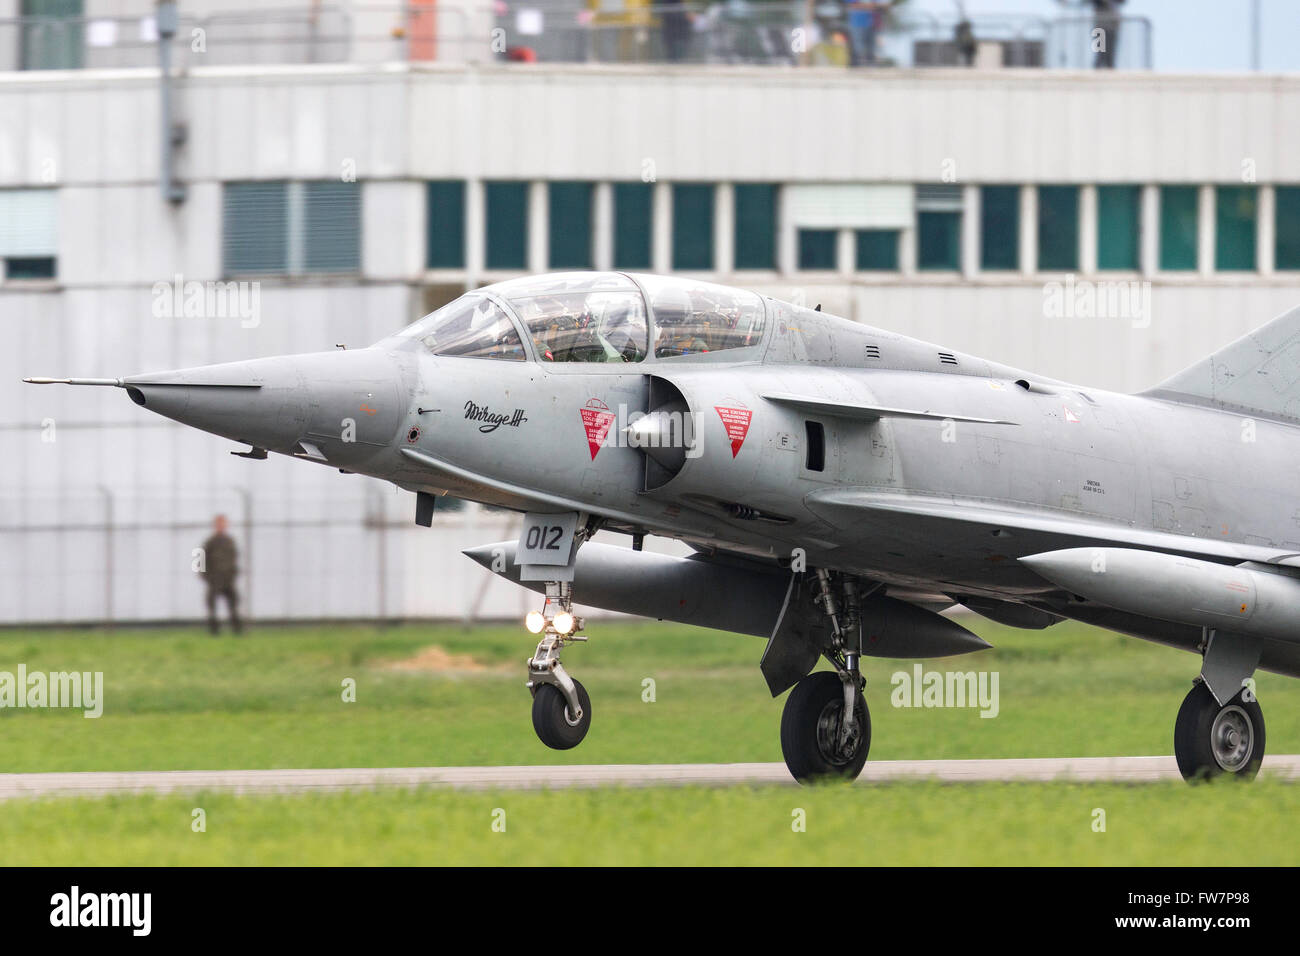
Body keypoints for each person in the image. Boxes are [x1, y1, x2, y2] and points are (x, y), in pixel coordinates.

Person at [200, 514, 243, 635]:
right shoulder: (209, 542)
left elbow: (234, 558)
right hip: (214, 579)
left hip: (228, 579)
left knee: (233, 604)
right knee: (212, 606)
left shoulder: (230, 541)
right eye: (219, 524)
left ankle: (237, 630)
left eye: (223, 524)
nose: (221, 526)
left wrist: (234, 573)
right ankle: (214, 630)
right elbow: (199, 557)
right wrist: (205, 576)